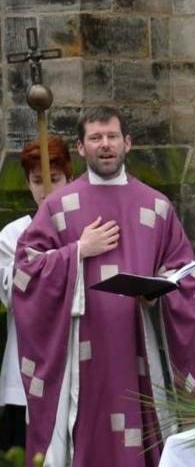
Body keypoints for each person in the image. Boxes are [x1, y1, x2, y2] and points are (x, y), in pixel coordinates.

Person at [12, 107, 195, 466]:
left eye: (112, 136)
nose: (106, 145)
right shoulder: (57, 207)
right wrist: (78, 251)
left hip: (140, 344)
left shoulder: (157, 207)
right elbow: (26, 271)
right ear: (81, 148)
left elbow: (184, 273)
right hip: (82, 353)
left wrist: (160, 290)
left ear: (127, 143)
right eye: (95, 138)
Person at [0, 138, 72, 452]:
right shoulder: (13, 235)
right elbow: (14, 292)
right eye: (38, 181)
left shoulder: (86, 229)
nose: (46, 190)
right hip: (25, 376)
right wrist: (69, 257)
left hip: (75, 371)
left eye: (54, 180)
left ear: (70, 179)